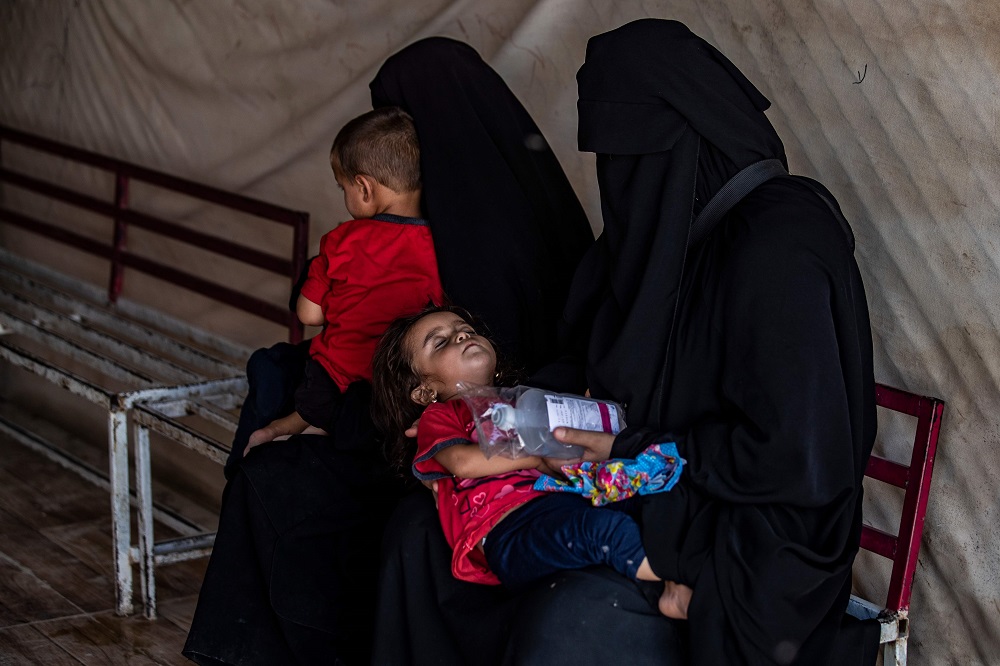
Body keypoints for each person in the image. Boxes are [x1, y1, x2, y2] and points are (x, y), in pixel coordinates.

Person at [372, 19, 879, 666]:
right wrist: (520, 418)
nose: (619, 182)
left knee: (570, 620)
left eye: (625, 160)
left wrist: (630, 446)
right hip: (660, 478)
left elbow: (796, 460)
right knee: (420, 534)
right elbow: (598, 357)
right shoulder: (666, 238)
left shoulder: (778, 242)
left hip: (759, 526)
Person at [184, 36, 592, 666]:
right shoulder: (496, 192)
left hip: (462, 422)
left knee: (274, 471)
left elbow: (458, 363)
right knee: (274, 392)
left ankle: (264, 645)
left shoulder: (475, 234)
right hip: (421, 400)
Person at [369, 305, 688, 616]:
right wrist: (535, 454)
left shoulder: (522, 401)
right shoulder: (440, 415)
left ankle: (671, 578)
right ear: (424, 393)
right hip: (509, 527)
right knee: (602, 532)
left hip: (560, 500)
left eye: (467, 330)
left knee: (652, 495)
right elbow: (462, 464)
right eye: (441, 341)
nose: (463, 337)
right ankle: (678, 584)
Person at [246, 105, 443, 451]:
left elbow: (308, 315)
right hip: (397, 390)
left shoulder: (341, 241)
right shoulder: (441, 247)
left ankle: (275, 431)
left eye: (343, 188)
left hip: (332, 379)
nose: (345, 196)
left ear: (364, 189)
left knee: (310, 414)